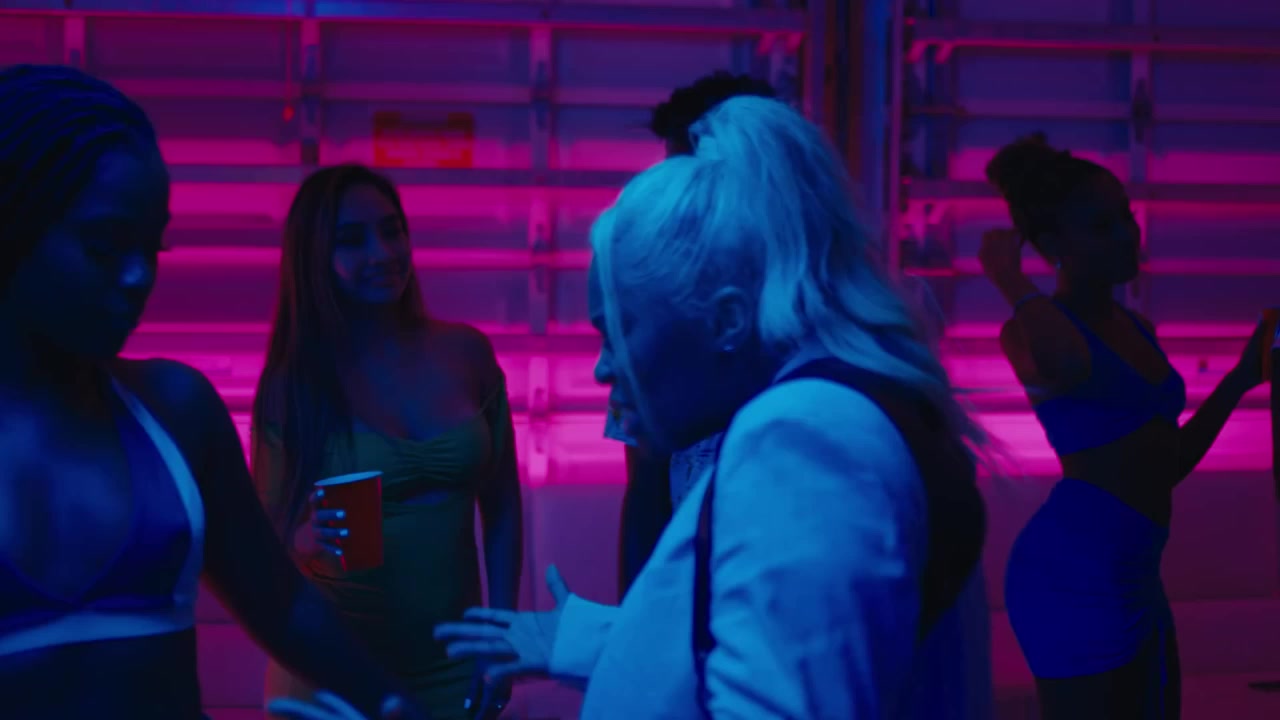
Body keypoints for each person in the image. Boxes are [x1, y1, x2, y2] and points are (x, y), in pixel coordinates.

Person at [428, 96, 995, 718]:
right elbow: (772, 643)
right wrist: (604, 642)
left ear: (726, 319)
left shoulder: (802, 439)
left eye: (619, 330)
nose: (602, 367)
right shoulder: (834, 406)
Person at [0, 64, 426, 720]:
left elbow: (282, 604)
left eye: (154, 248)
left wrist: (395, 705)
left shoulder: (175, 410)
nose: (139, 276)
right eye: (105, 246)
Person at [982, 133, 1269, 719]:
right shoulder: (1027, 331)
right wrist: (1010, 279)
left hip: (1135, 571)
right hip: (1073, 574)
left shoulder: (1138, 327)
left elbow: (1169, 461)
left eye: (1125, 217)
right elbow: (1069, 363)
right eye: (1101, 226)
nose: (1126, 235)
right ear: (1052, 244)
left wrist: (1242, 378)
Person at [250, 164, 523, 720]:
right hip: (331, 674)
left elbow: (503, 510)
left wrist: (500, 636)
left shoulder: (467, 353)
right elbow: (259, 545)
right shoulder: (294, 384)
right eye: (352, 240)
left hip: (454, 664)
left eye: (392, 230)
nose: (382, 252)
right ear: (313, 258)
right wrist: (304, 538)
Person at [611, 70, 780, 599]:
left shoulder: (818, 305)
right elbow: (645, 487)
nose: (676, 196)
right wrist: (633, 622)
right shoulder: (656, 298)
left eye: (688, 174)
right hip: (687, 602)